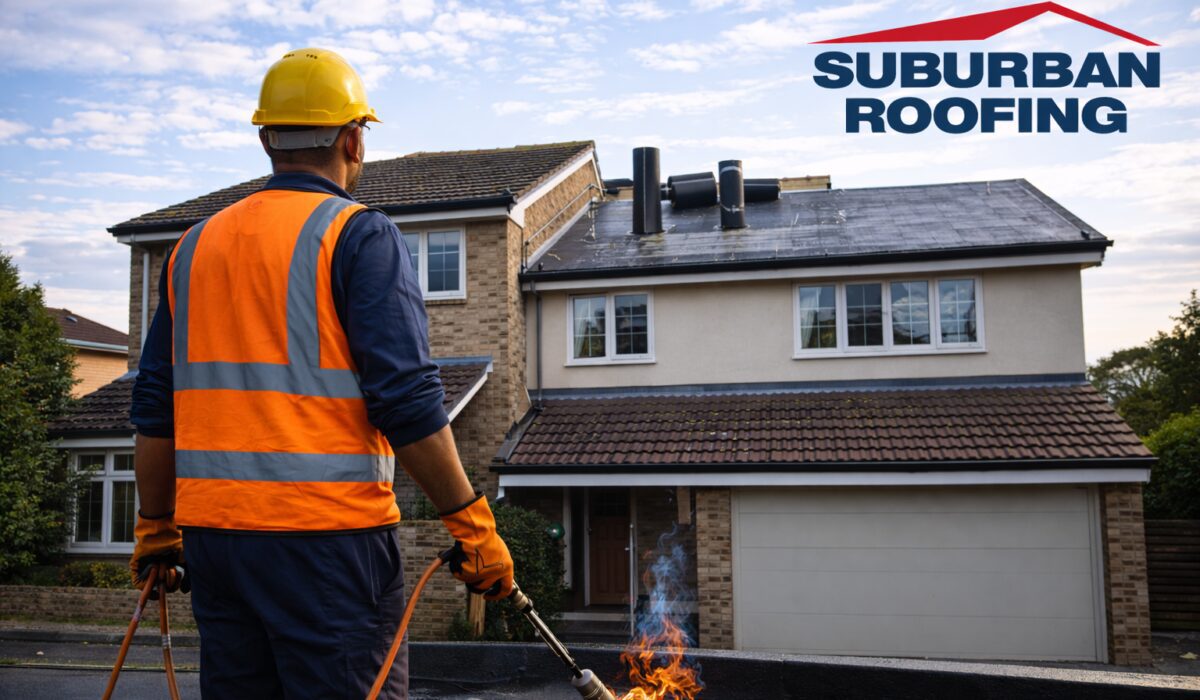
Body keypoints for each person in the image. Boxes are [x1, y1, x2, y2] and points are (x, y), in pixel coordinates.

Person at [128, 47, 514, 699]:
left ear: (266, 139)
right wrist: (471, 523)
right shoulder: (358, 236)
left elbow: (154, 408)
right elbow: (407, 400)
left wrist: (155, 526)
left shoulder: (192, 247)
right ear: (353, 139)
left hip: (216, 547)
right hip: (327, 548)